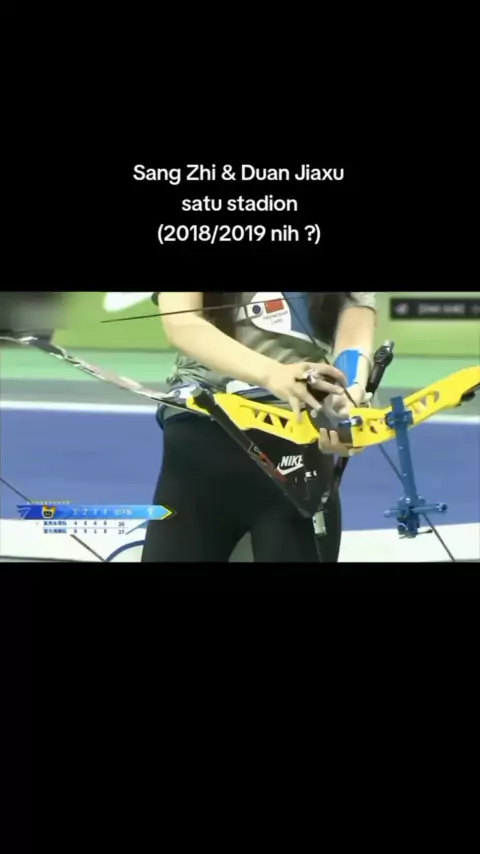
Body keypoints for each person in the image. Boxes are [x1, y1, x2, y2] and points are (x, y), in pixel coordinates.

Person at [141, 291, 376, 564]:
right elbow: (182, 324)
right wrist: (273, 373)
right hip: (204, 429)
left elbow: (353, 344)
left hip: (298, 441)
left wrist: (348, 398)